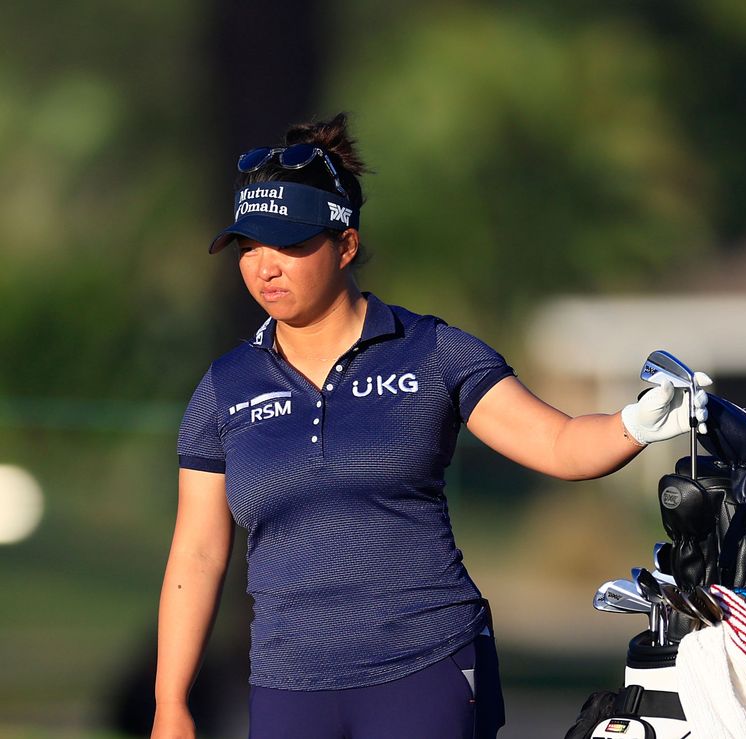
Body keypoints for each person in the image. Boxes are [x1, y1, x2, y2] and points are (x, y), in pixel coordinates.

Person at [151, 112, 710, 739]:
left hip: (425, 667)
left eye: (289, 246)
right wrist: (170, 702)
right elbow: (198, 552)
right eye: (249, 248)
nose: (265, 268)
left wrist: (632, 424)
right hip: (287, 685)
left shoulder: (433, 353)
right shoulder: (225, 386)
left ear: (346, 244)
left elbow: (557, 442)